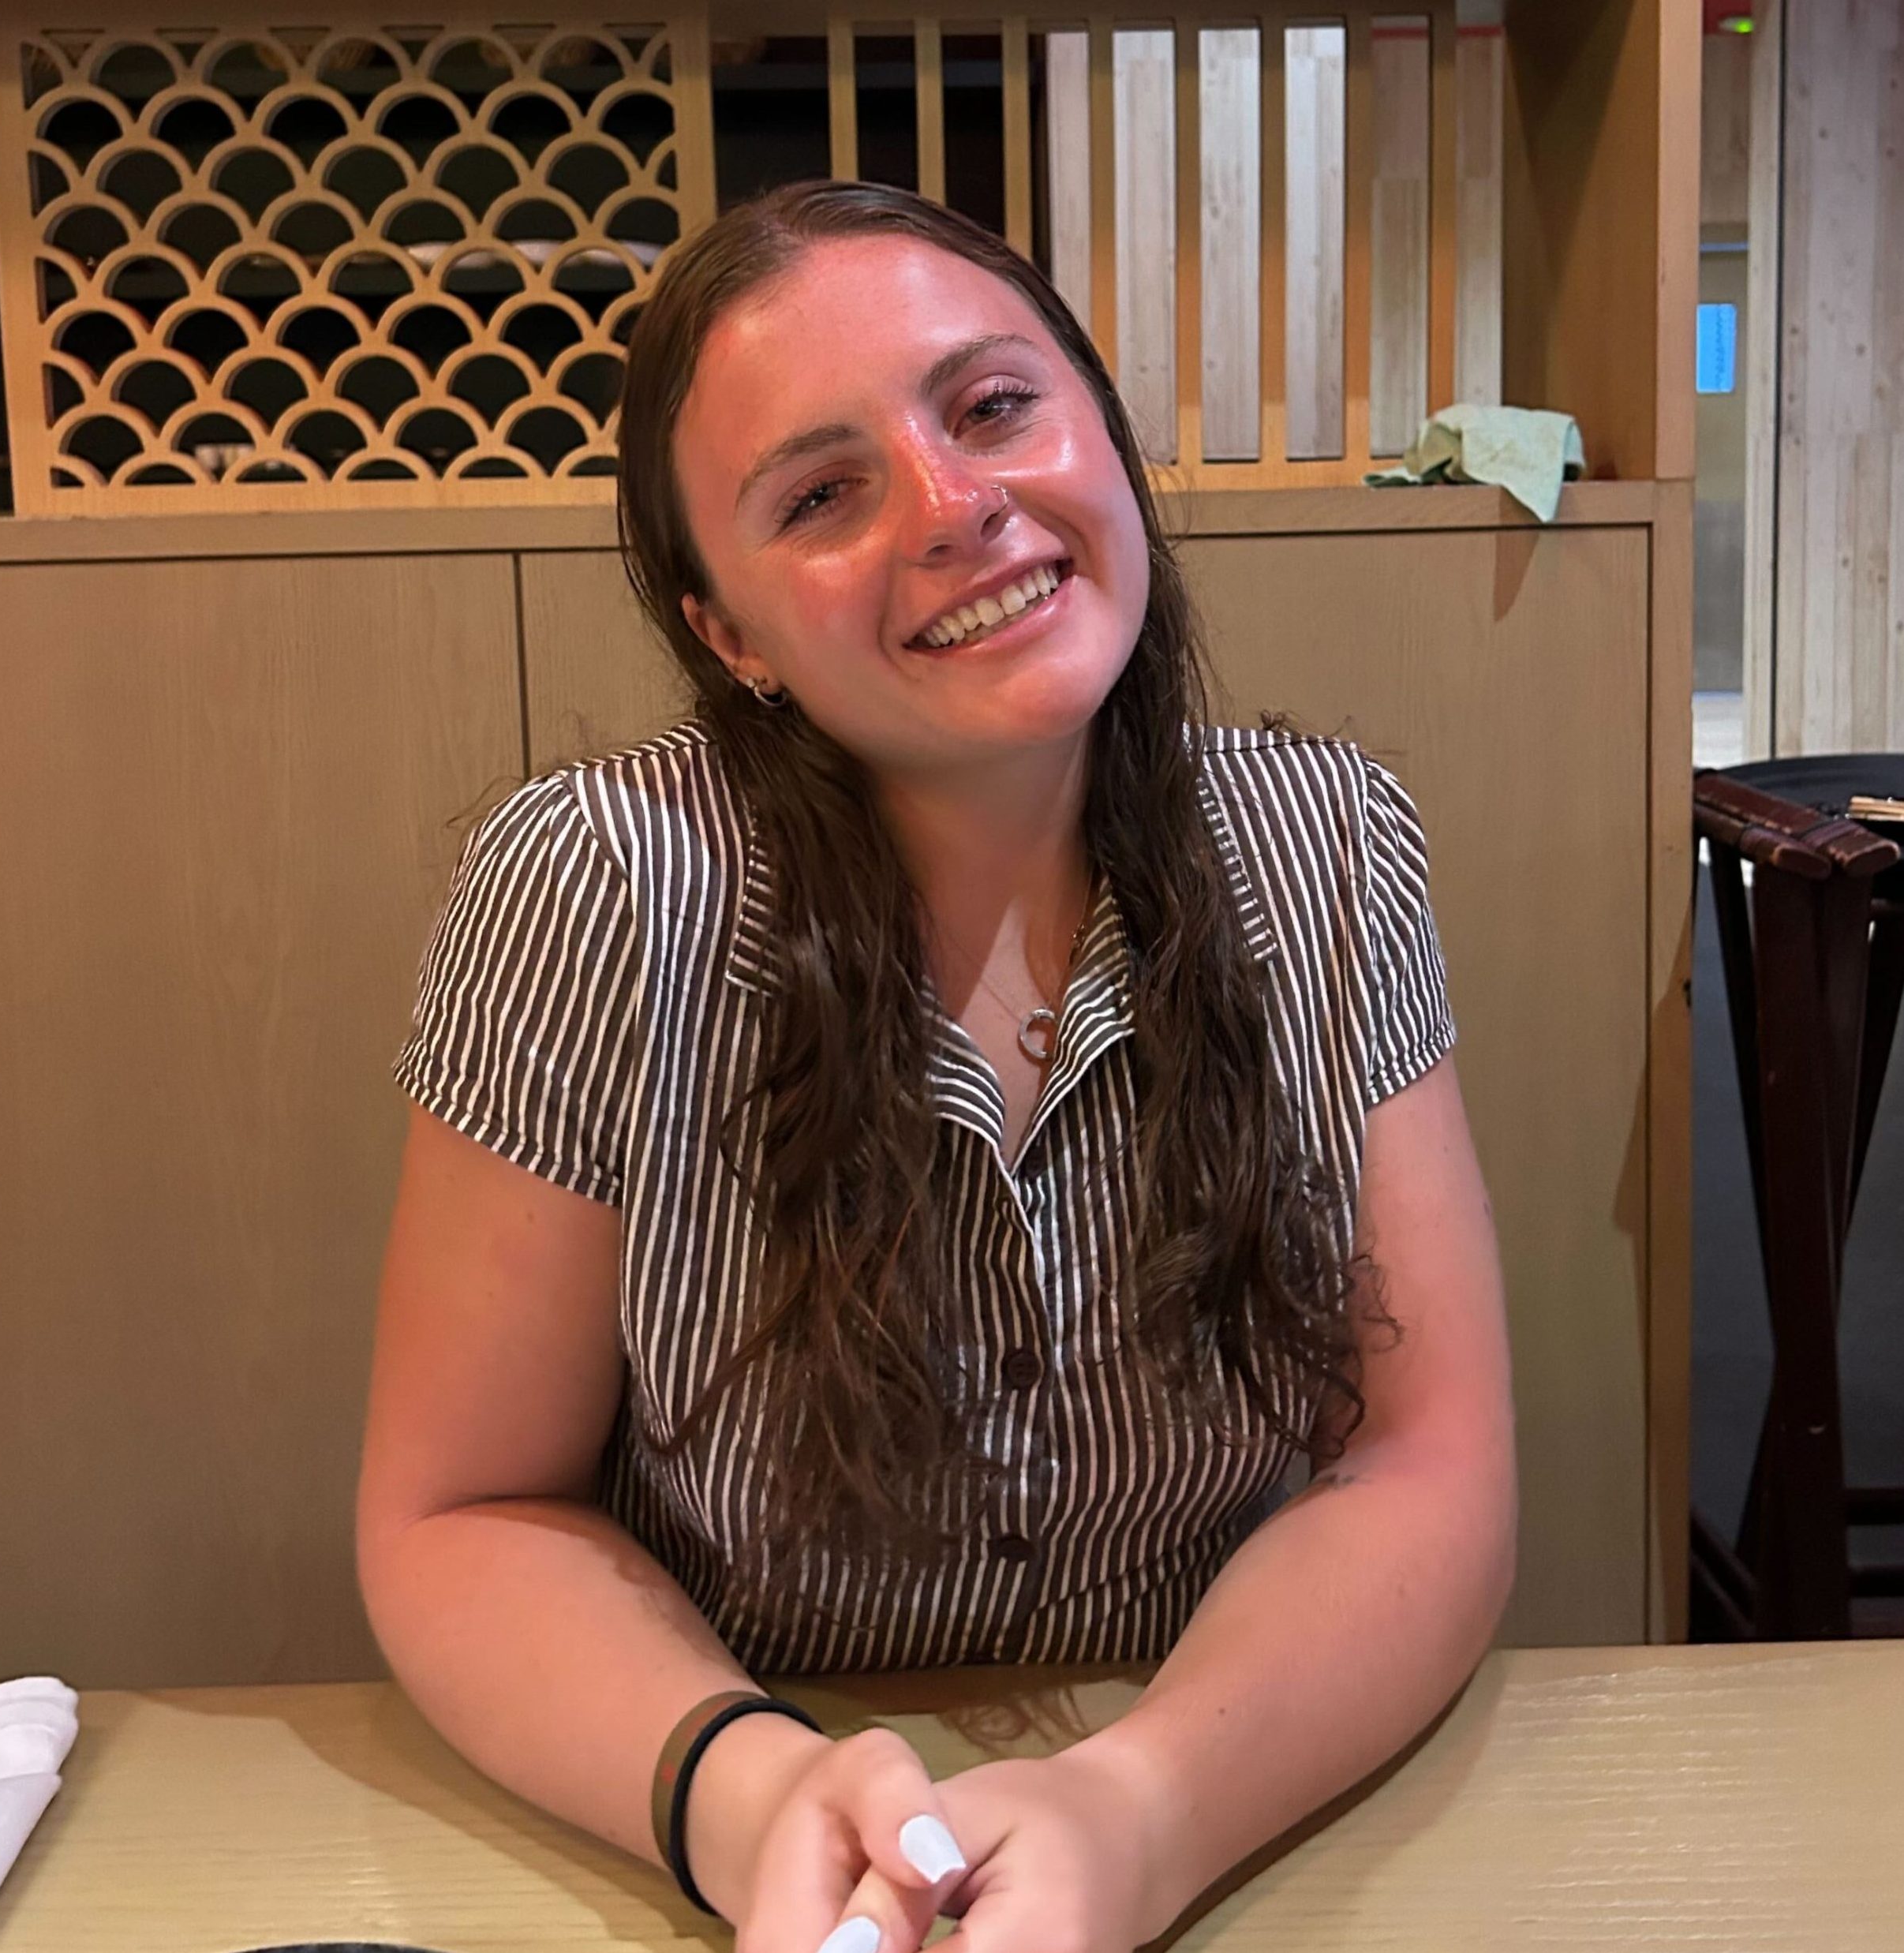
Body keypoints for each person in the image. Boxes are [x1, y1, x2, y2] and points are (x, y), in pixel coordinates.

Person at [357, 181, 1515, 1953]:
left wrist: (1137, 1809)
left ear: (1102, 443)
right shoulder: (592, 886)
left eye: (991, 409)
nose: (956, 508)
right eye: (821, 494)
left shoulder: (1324, 848)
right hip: (760, 1845)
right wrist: (739, 1794)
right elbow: (459, 1510)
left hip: (1231, 1800)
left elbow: (1418, 1464)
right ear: (726, 627)